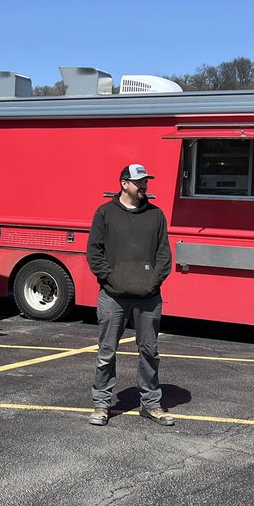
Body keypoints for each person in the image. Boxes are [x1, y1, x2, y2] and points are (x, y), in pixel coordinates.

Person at [86, 163, 174, 427]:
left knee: (150, 352)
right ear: (124, 183)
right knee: (106, 351)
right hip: (113, 296)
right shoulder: (104, 213)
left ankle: (151, 404)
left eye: (146, 181)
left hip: (148, 297)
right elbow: (94, 252)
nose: (144, 185)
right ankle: (102, 404)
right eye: (139, 181)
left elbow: (164, 254)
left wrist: (152, 281)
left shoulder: (156, 215)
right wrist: (110, 279)